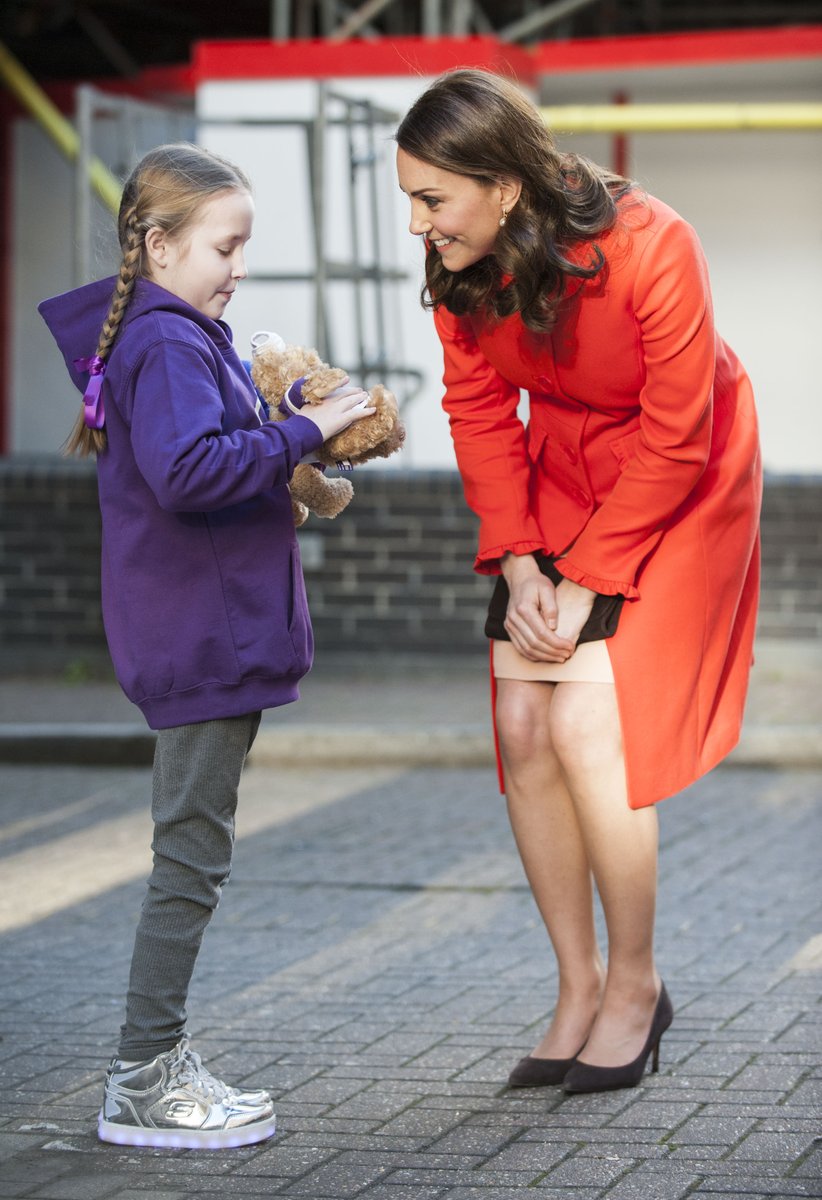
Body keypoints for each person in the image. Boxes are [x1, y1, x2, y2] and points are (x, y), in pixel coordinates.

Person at [396, 70, 761, 1094]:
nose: (418, 223)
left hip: (683, 475)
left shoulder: (655, 242)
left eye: (432, 198)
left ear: (505, 185)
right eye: (410, 200)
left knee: (591, 724)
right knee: (521, 724)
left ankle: (639, 988)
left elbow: (680, 431)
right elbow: (477, 415)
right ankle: (576, 985)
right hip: (558, 475)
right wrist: (518, 562)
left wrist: (590, 576)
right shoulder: (459, 263)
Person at [39, 143, 374, 1148]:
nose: (237, 267)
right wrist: (310, 433)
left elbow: (202, 461)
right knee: (190, 859)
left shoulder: (178, 336)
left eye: (243, 248)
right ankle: (144, 1075)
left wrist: (286, 437)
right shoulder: (171, 344)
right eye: (224, 246)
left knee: (195, 854)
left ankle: (154, 1061)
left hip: (203, 634)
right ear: (158, 243)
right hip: (201, 640)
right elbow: (188, 473)